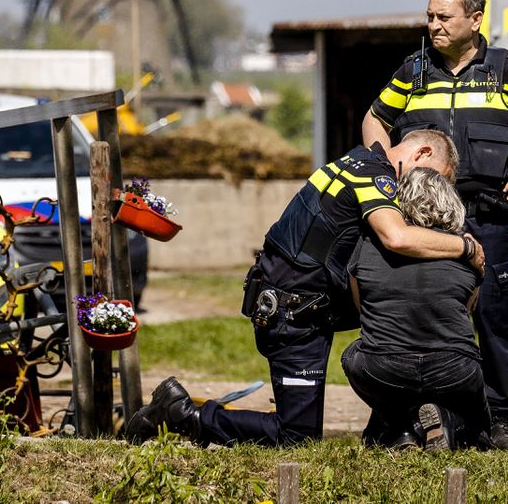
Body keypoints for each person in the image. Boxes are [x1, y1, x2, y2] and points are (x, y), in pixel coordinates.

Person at [124, 128, 482, 446]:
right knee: (296, 437)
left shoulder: (359, 160)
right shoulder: (376, 175)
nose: (431, 188)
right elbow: (397, 237)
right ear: (421, 154)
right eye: (437, 177)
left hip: (303, 305)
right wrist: (466, 248)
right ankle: (183, 415)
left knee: (397, 327)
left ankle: (395, 428)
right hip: (293, 316)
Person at [361, 0, 508, 450]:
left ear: (475, 21)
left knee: (495, 320)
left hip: (490, 219)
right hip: (426, 224)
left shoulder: (505, 71)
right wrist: (384, 166)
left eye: (443, 17)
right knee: (419, 317)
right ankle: (415, 418)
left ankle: (501, 420)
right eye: (430, 16)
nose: (432, 25)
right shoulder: (412, 71)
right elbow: (376, 118)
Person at [342, 167, 492, 451]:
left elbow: (362, 308)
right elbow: (468, 309)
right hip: (455, 368)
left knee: (352, 357)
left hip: (382, 366)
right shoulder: (468, 251)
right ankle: (445, 421)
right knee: (479, 426)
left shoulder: (367, 245)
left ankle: (402, 426)